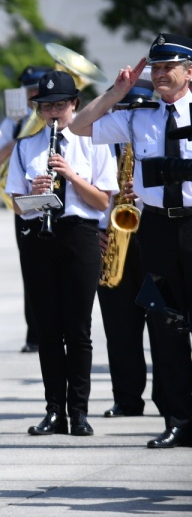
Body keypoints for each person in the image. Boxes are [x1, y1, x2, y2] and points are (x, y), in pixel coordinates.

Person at [70, 33, 192, 448]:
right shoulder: (141, 114)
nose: (159, 74)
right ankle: (178, 419)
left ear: (188, 72)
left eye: (167, 67)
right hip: (157, 226)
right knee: (167, 324)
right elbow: (78, 125)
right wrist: (116, 91)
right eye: (155, 68)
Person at [6, 70, 117, 437]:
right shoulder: (26, 147)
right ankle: (54, 410)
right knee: (48, 330)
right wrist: (35, 192)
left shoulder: (96, 143)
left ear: (74, 105)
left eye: (59, 105)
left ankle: (79, 411)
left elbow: (102, 200)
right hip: (40, 235)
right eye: (45, 107)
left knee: (78, 329)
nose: (52, 113)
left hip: (79, 235)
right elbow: (18, 205)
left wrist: (70, 176)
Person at [96, 79, 157, 418]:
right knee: (119, 326)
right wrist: (94, 233)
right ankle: (127, 398)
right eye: (120, 108)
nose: (125, 115)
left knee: (163, 324)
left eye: (133, 109)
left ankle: (170, 399)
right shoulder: (97, 145)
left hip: (152, 235)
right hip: (110, 239)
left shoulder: (158, 141)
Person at [0, 65, 51, 354]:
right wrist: (21, 141)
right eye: (30, 91)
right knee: (32, 268)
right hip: (25, 204)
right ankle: (35, 333)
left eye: (39, 89)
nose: (35, 95)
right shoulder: (14, 124)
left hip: (61, 204)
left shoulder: (61, 120)